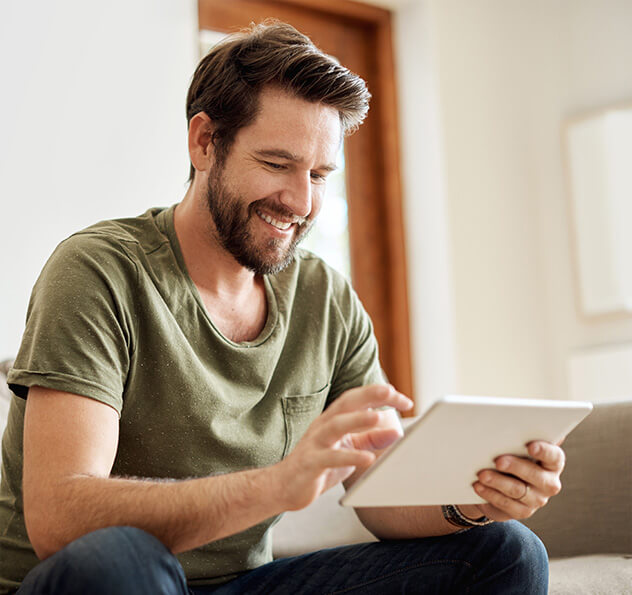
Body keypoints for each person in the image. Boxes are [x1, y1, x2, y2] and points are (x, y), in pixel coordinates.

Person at [0, 22, 562, 594]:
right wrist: (276, 484)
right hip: (101, 582)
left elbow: (381, 496)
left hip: (243, 585)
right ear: (204, 142)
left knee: (506, 550)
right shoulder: (99, 271)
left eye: (319, 175)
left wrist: (473, 501)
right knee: (120, 560)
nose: (301, 202)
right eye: (276, 164)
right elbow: (59, 518)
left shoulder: (325, 298)